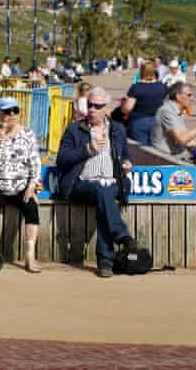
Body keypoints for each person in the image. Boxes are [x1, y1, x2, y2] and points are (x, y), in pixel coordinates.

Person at [56, 86, 140, 278]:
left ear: (106, 108)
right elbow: (62, 159)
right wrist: (87, 149)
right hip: (82, 183)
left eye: (97, 106)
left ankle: (107, 260)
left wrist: (127, 164)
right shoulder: (75, 129)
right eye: (90, 104)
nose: (92, 109)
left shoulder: (117, 129)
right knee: (103, 192)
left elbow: (126, 156)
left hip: (113, 181)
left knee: (106, 193)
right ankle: (118, 241)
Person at [0, 97, 43, 273]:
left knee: (31, 208)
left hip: (20, 184)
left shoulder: (27, 133)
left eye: (15, 110)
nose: (12, 115)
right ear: (0, 113)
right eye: (7, 111)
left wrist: (32, 185)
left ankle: (30, 256)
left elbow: (35, 163)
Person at [151, 82, 196, 160]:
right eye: (189, 95)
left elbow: (189, 142)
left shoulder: (176, 111)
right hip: (166, 160)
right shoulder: (167, 111)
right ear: (178, 97)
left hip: (176, 157)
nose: (192, 98)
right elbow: (182, 139)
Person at [121, 62, 167, 145]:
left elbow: (127, 108)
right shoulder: (162, 86)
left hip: (139, 122)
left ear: (141, 71)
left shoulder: (136, 87)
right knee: (159, 152)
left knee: (142, 153)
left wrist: (123, 105)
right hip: (158, 121)